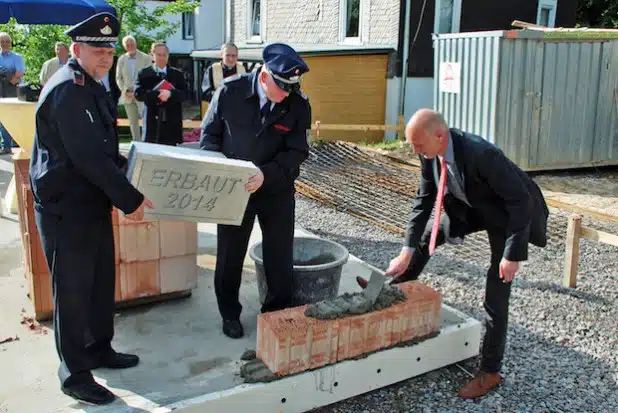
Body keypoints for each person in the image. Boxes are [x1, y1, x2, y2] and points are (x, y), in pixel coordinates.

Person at [356, 109, 549, 399]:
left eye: (418, 145)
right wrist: (405, 250)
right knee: (425, 239)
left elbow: (521, 201)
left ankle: (490, 370)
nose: (415, 151)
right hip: (470, 206)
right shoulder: (428, 152)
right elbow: (424, 200)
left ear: (440, 135)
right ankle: (389, 290)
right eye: (412, 145)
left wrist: (512, 255)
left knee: (496, 291)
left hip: (505, 215)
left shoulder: (483, 154)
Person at [28, 12, 153, 405]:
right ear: (77, 49)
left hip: (91, 202)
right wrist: (131, 199)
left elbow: (105, 151)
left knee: (100, 282)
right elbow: (87, 157)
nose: (106, 56)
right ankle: (75, 373)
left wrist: (136, 172)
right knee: (73, 290)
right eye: (98, 48)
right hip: (67, 207)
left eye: (110, 49)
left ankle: (100, 348)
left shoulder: (94, 86)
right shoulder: (67, 89)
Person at [200, 43, 311, 339]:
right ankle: (229, 314)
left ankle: (275, 314)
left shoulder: (298, 104)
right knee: (229, 256)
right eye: (283, 88)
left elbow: (297, 151)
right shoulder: (231, 91)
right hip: (235, 189)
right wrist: (224, 172)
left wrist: (268, 174)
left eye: (292, 88)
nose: (288, 95)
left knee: (279, 255)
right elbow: (209, 137)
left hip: (276, 189)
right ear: (264, 77)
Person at [134, 42, 186, 145]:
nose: (162, 58)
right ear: (152, 55)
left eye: (164, 55)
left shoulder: (177, 74)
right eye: (158, 55)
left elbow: (185, 94)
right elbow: (138, 94)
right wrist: (157, 93)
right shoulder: (144, 73)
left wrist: (170, 94)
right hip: (152, 121)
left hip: (171, 122)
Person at [116, 35, 152, 141]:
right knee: (133, 122)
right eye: (127, 44)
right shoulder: (122, 59)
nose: (130, 46)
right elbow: (118, 78)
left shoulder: (146, 58)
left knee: (146, 120)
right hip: (127, 96)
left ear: (136, 44)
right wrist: (125, 90)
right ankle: (137, 143)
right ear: (124, 46)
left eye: (131, 43)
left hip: (141, 95)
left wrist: (137, 91)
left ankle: (147, 142)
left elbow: (148, 78)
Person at [0, 32, 25, 154]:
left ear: (11, 43)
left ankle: (17, 143)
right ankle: (6, 145)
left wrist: (6, 78)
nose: (4, 44)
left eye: (7, 41)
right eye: (2, 41)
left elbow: (19, 74)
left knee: (15, 116)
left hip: (13, 90)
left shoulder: (17, 57)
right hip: (1, 90)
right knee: (2, 118)